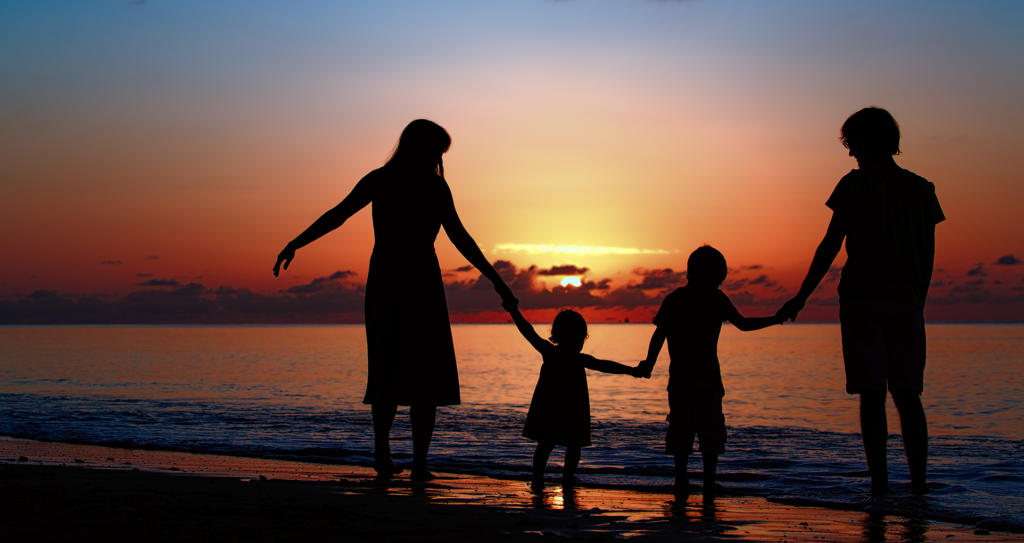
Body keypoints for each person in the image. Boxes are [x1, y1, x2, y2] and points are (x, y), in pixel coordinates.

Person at [273, 119, 517, 481]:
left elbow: (459, 236)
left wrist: (498, 281)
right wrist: (297, 242)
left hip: (392, 276)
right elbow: (339, 215)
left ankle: (399, 458)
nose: (439, 158)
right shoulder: (410, 184)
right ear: (420, 148)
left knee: (402, 370)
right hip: (413, 278)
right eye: (436, 150)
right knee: (414, 373)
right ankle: (399, 459)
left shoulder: (391, 181)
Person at [776, 107, 944, 495]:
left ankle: (880, 486)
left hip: (863, 299)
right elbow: (927, 253)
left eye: (852, 145)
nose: (851, 154)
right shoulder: (923, 189)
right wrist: (917, 299)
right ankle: (918, 486)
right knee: (908, 396)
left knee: (872, 397)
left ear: (866, 143)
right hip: (908, 303)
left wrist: (801, 297)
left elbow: (830, 245)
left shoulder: (856, 184)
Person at [638, 245, 783, 497]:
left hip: (680, 381)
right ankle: (708, 481)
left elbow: (659, 334)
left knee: (681, 431)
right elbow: (744, 324)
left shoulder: (674, 299)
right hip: (707, 380)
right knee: (710, 432)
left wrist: (649, 364)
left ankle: (681, 480)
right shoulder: (716, 298)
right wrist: (776, 318)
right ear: (716, 275)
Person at [501, 300, 645, 489]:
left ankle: (557, 477)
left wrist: (633, 371)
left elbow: (606, 366)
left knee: (566, 445)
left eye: (578, 337)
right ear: (560, 336)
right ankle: (544, 478)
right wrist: (513, 311)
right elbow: (527, 331)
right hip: (556, 408)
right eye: (574, 336)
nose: (576, 341)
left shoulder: (573, 358)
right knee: (552, 444)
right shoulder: (553, 353)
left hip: (568, 409)